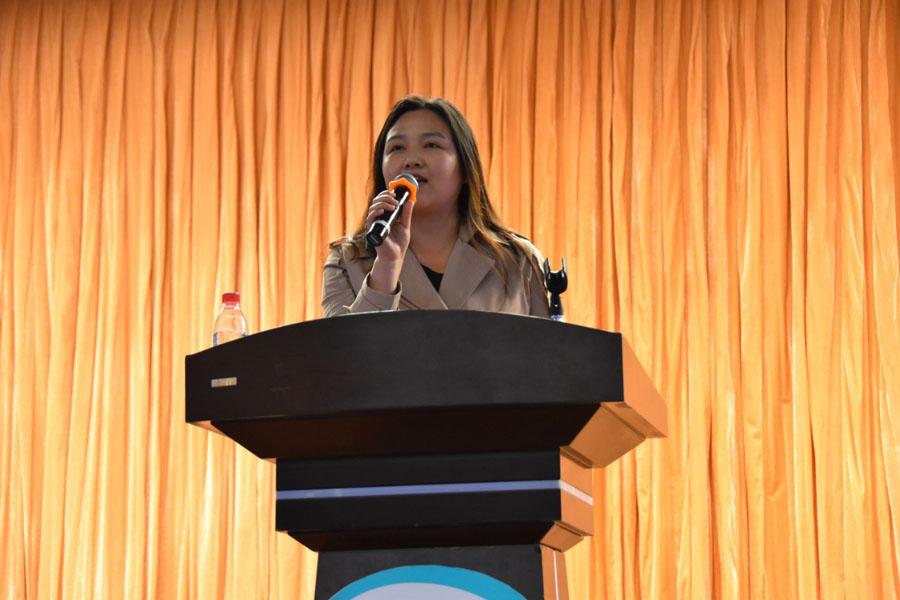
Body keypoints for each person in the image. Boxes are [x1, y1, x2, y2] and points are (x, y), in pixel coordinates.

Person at [322, 96, 550, 318]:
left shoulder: (520, 260)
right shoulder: (346, 261)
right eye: (397, 148)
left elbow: (552, 343)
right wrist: (386, 265)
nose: (411, 160)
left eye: (431, 145)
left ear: (465, 166)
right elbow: (345, 344)